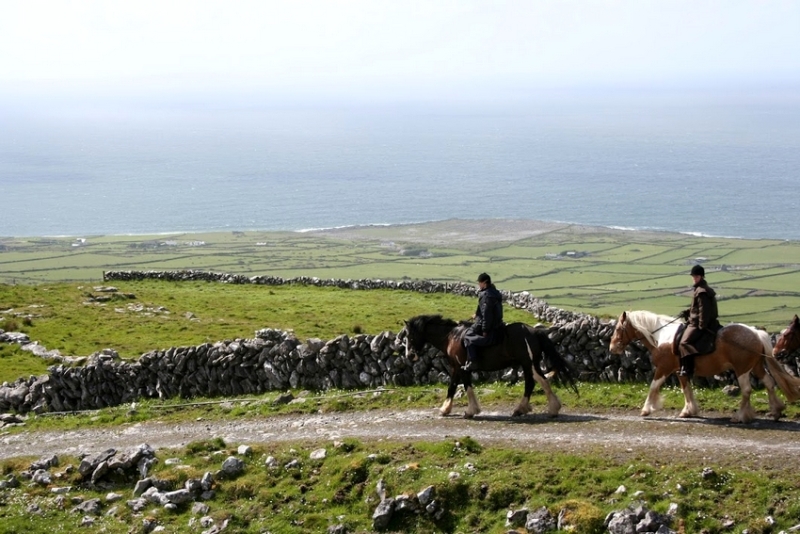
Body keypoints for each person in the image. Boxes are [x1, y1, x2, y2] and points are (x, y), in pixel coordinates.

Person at [677, 264, 720, 378]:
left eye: (696, 277)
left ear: (701, 277)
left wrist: (702, 326)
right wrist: (687, 312)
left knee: (683, 343)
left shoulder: (701, 292)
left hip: (698, 324)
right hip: (696, 321)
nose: (694, 278)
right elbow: (696, 307)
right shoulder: (701, 289)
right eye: (693, 277)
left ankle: (688, 368)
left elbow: (703, 310)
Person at [462, 272, 504, 372]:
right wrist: (476, 315)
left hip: (490, 328)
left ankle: (473, 361)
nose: (478, 285)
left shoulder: (486, 295)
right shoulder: (494, 293)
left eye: (479, 283)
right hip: (498, 324)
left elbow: (487, 315)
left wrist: (485, 330)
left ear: (484, 283)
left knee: (467, 336)